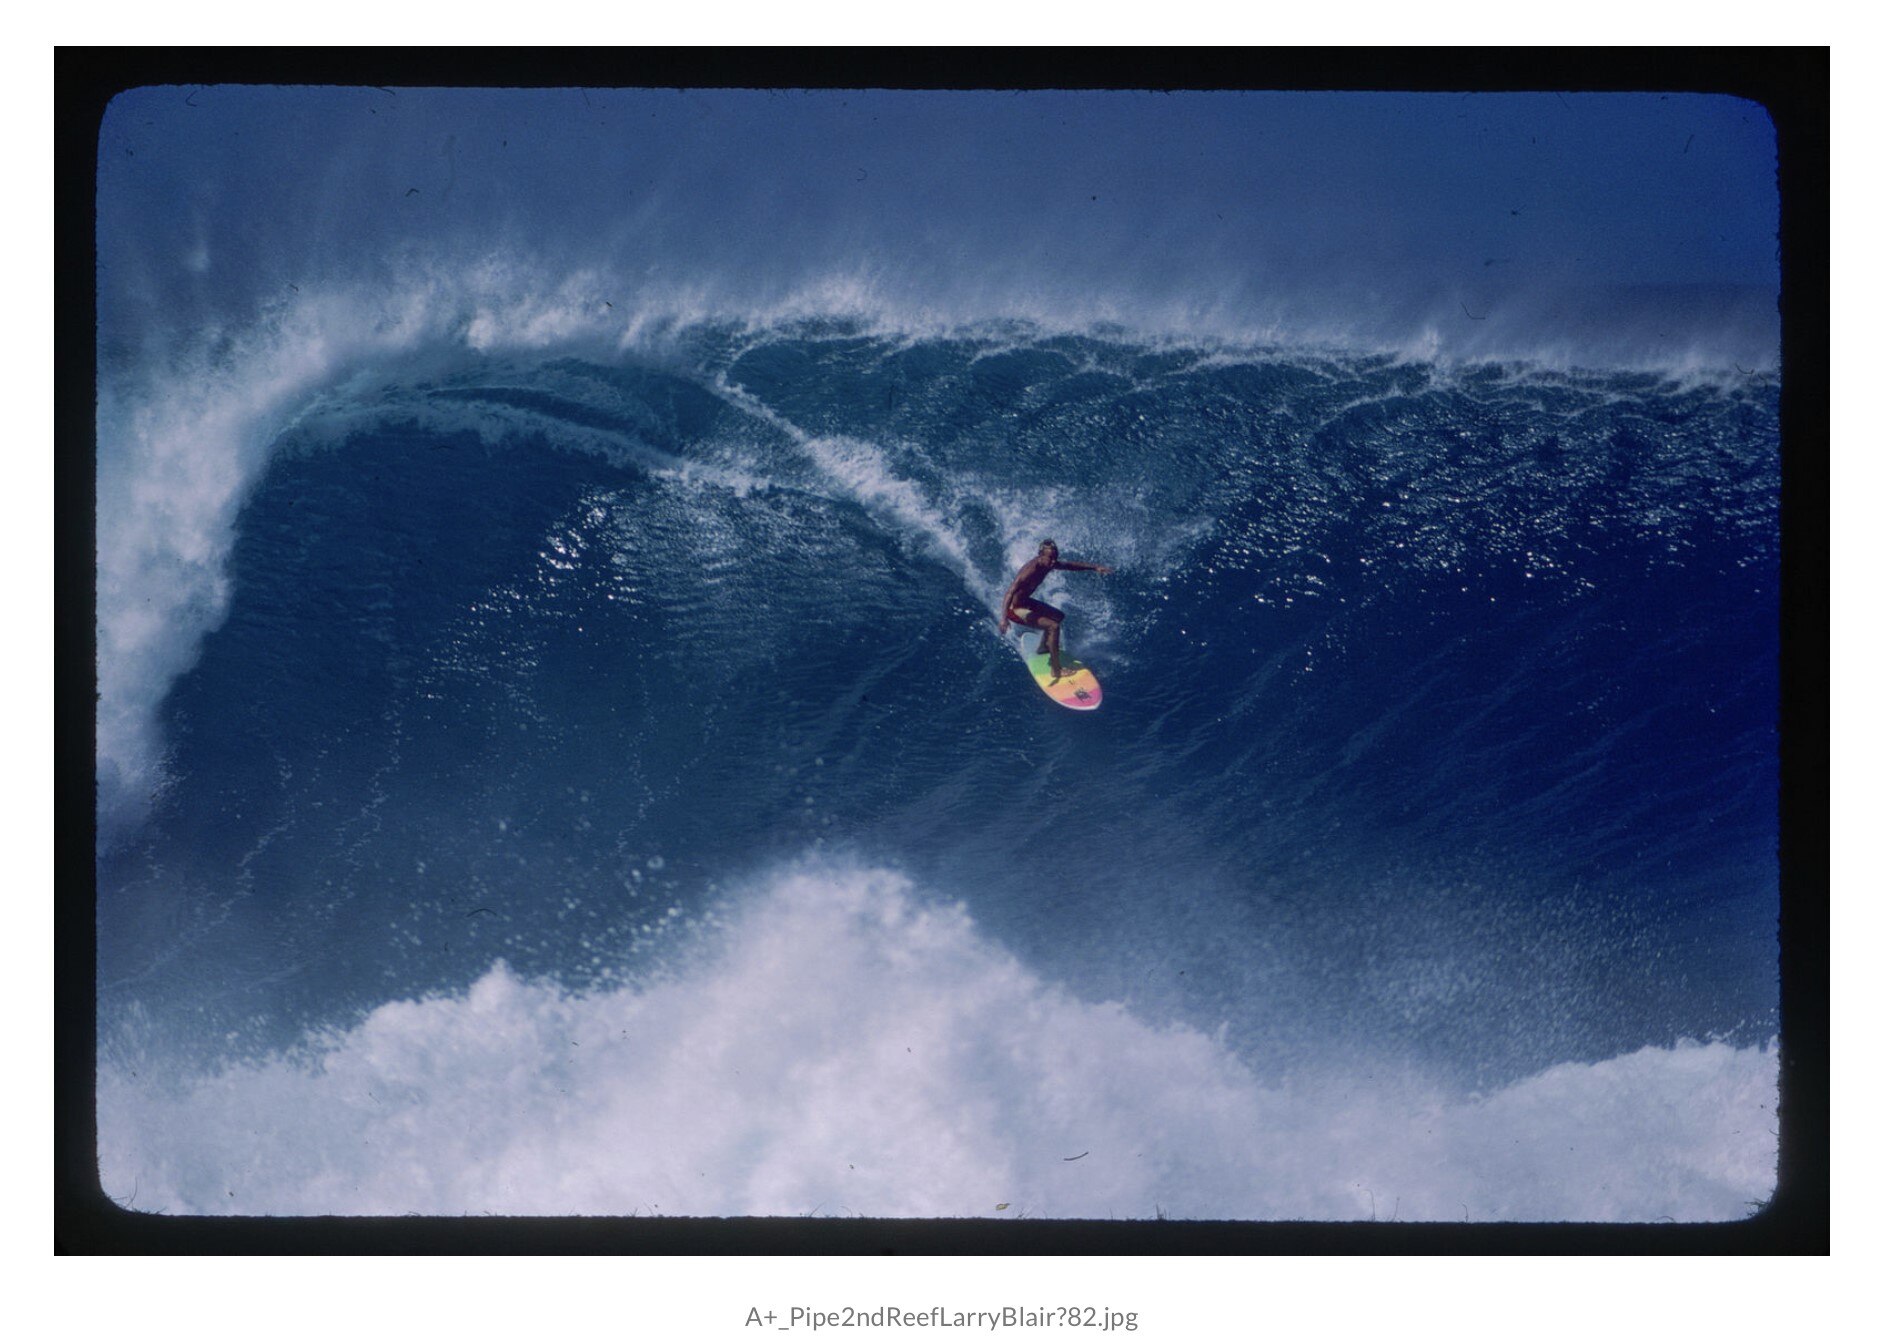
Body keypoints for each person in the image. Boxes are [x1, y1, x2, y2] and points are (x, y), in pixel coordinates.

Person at [999, 539, 1112, 681]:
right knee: (1053, 626)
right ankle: (1056, 669)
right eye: (1050, 558)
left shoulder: (1047, 564)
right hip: (1014, 610)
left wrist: (1095, 567)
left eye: (1055, 558)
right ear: (1040, 555)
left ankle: (1043, 648)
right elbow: (1009, 592)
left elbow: (1070, 565)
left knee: (1058, 616)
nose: (1053, 562)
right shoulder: (1029, 571)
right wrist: (1003, 619)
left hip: (1025, 602)